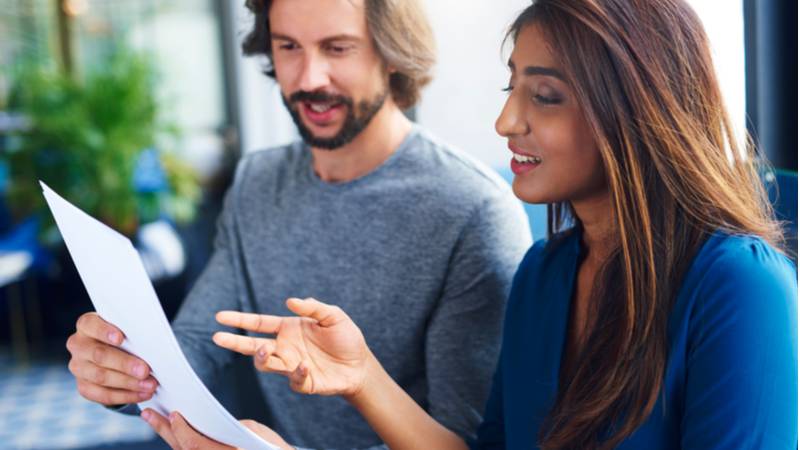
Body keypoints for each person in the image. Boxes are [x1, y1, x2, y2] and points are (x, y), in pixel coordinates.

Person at [142, 0, 798, 449]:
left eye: (543, 96)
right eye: (510, 89)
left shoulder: (738, 286)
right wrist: (363, 375)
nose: (506, 123)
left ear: (639, 110)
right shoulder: (547, 273)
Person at [64, 0, 532, 448]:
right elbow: (196, 345)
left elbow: (466, 442)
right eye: (289, 46)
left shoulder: (472, 211)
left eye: (337, 47)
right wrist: (123, 374)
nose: (309, 78)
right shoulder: (257, 182)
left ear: (392, 52)